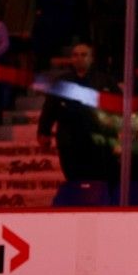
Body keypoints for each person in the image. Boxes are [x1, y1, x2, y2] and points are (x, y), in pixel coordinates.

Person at [37, 43, 120, 206]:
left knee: (102, 183)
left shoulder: (104, 80)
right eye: (75, 55)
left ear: (92, 58)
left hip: (100, 144)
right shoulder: (62, 82)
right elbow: (49, 109)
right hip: (70, 143)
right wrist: (43, 131)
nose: (79, 58)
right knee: (75, 183)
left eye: (84, 54)